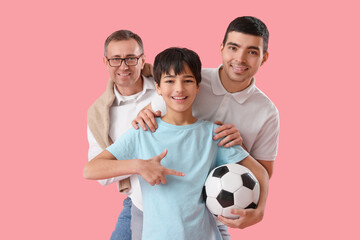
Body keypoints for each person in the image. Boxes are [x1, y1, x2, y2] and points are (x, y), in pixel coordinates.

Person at [84, 47, 269, 240]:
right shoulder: (143, 132)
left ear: (198, 86)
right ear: (158, 87)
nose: (179, 88)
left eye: (187, 81)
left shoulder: (213, 135)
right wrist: (139, 166)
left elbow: (260, 172)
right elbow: (90, 169)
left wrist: (259, 211)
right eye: (170, 81)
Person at [133, 16, 279, 230]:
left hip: (212, 214)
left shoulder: (267, 112)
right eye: (233, 47)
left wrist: (239, 149)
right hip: (154, 207)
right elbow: (147, 118)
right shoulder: (190, 80)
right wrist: (142, 117)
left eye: (252, 52)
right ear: (221, 48)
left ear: (264, 58)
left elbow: (263, 172)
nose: (240, 58)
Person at [87, 30, 159, 240]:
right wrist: (139, 164)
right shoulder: (100, 113)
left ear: (142, 59)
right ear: (106, 62)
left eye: (131, 58)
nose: (124, 66)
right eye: (116, 59)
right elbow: (98, 172)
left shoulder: (167, 89)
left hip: (182, 196)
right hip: (137, 202)